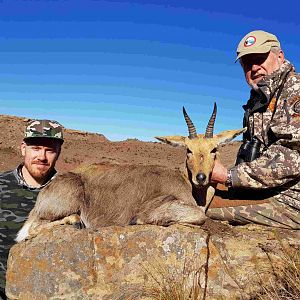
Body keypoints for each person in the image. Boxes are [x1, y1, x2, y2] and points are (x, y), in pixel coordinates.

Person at [208, 30, 300, 229]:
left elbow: (292, 157)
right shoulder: (258, 101)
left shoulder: (295, 91)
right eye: (247, 63)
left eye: (260, 59)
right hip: (266, 188)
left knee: (203, 207)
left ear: (280, 56)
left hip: (292, 200)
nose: (254, 68)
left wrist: (228, 177)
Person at [0, 119, 64, 299]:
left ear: (58, 153)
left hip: (46, 292)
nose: (42, 157)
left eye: (49, 150)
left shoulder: (71, 193)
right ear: (23, 148)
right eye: (36, 148)